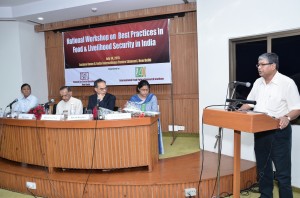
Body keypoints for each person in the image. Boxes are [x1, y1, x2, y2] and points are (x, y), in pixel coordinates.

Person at [239, 53, 300, 198]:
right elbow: (249, 103)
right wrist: (238, 110)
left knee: (282, 173)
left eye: (262, 64)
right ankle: (265, 195)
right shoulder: (258, 82)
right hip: (260, 132)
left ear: (273, 66)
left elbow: (297, 108)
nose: (259, 67)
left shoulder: (287, 83)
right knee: (263, 169)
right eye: (258, 65)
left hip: (279, 132)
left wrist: (287, 117)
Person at [129, 80, 164, 154]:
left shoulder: (152, 97)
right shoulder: (133, 99)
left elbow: (154, 111)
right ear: (138, 89)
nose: (145, 92)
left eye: (147, 90)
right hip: (137, 122)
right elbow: (131, 112)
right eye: (143, 90)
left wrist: (143, 114)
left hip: (151, 121)